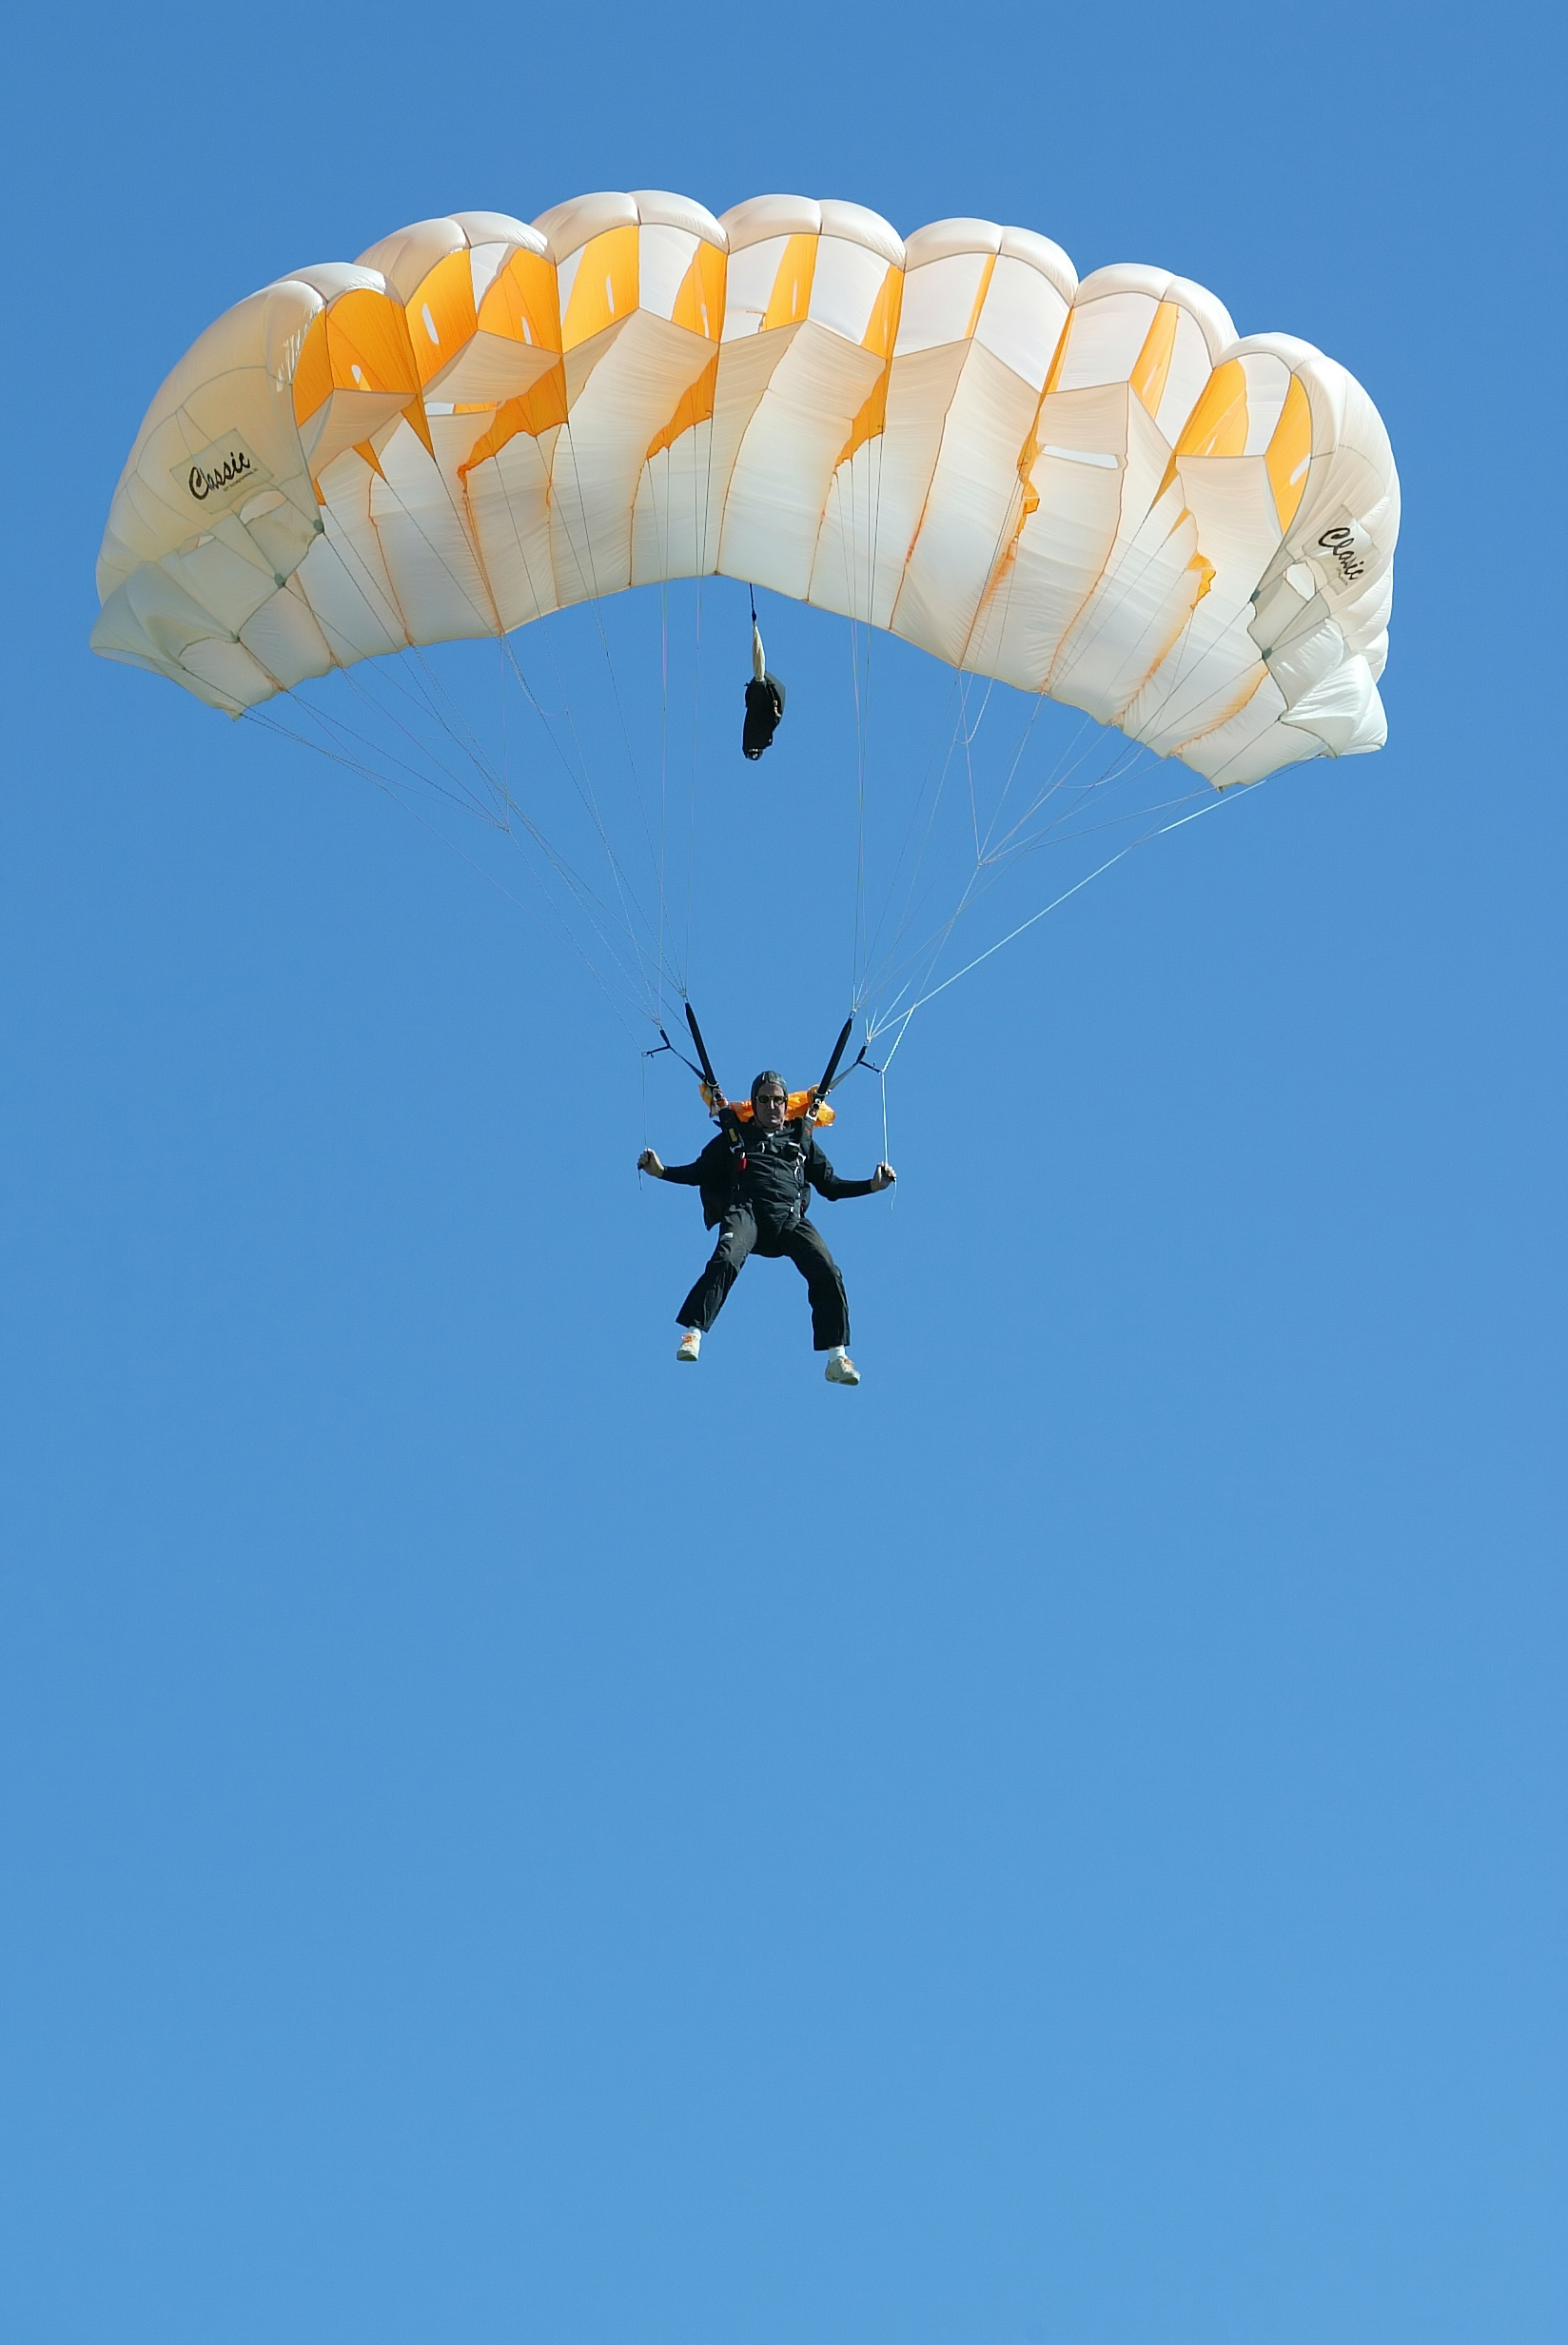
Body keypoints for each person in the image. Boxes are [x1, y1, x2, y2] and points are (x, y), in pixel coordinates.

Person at [637, 1071, 895, 1383]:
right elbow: (700, 1172)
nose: (772, 1106)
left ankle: (836, 1358)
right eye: (764, 1100)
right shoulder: (736, 1138)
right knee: (726, 1257)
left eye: (778, 1100)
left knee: (827, 1270)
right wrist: (661, 1171)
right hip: (746, 1213)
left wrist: (873, 1185)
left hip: (789, 1220)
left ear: (787, 1105)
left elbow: (831, 1187)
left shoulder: (800, 1139)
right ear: (754, 1104)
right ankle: (693, 1333)